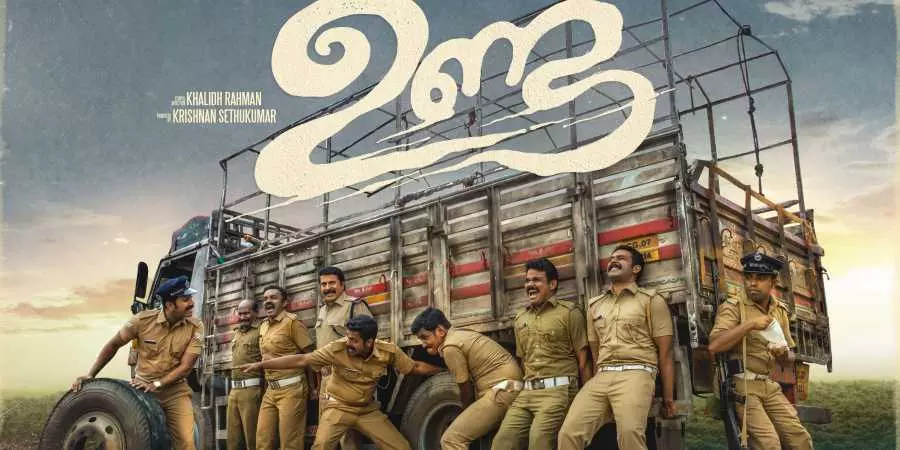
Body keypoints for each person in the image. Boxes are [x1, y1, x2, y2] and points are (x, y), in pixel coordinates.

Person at [240, 315, 442, 450]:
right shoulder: (337, 349)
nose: (348, 343)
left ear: (369, 342)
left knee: (401, 447)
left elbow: (414, 367)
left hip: (366, 410)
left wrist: (444, 370)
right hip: (338, 407)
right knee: (321, 446)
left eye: (354, 340)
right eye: (348, 337)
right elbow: (302, 359)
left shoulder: (388, 352)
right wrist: (261, 364)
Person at [558, 245, 675, 450]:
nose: (613, 261)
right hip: (602, 375)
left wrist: (668, 398)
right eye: (611, 258)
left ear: (636, 269)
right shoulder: (595, 305)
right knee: (568, 433)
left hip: (637, 373)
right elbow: (595, 354)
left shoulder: (651, 301)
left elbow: (665, 354)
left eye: (621, 258)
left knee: (630, 434)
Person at [72, 275, 203, 450]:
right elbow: (114, 344)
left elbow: (186, 367)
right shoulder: (142, 321)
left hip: (175, 392)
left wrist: (158, 384)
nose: (192, 303)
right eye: (185, 299)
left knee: (186, 443)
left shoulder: (196, 326)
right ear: (169, 305)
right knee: (135, 441)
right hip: (142, 391)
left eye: (190, 298)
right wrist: (91, 374)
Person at [708, 252, 813, 449]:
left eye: (760, 278)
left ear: (773, 282)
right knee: (769, 444)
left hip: (768, 384)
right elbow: (715, 345)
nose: (752, 283)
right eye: (748, 277)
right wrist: (749, 325)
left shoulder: (779, 310)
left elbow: (789, 356)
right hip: (742, 385)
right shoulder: (733, 307)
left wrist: (783, 354)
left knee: (800, 440)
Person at [491, 258, 590, 450]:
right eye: (527, 281)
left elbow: (584, 361)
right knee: (501, 443)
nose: (530, 285)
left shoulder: (569, 313)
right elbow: (523, 360)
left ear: (552, 284)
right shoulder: (520, 318)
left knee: (540, 443)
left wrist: (584, 400)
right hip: (527, 393)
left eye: (536, 280)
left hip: (558, 393)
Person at [411, 307, 524, 450]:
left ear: (440, 331)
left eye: (425, 337)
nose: (423, 344)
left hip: (502, 390)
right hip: (509, 388)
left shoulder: (450, 347)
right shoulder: (460, 334)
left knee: (451, 439)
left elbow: (465, 388)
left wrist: (462, 416)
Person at [314, 266, 373, 450]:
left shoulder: (355, 306)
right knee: (325, 436)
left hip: (346, 380)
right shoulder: (322, 311)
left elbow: (370, 342)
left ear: (342, 284)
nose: (327, 288)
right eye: (323, 284)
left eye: (332, 283)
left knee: (348, 436)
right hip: (326, 380)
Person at [256, 286, 315, 450]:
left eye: (273, 298)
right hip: (270, 390)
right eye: (265, 299)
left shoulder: (293, 323)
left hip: (292, 389)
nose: (268, 301)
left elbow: (309, 357)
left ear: (284, 302)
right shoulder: (263, 326)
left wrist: (312, 388)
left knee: (290, 444)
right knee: (262, 441)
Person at [227, 299, 263, 450]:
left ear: (256, 313)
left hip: (251, 391)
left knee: (252, 437)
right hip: (234, 390)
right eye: (240, 314)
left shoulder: (261, 331)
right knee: (233, 439)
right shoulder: (237, 332)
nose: (243, 317)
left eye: (246, 313)